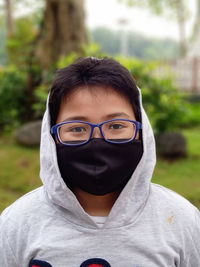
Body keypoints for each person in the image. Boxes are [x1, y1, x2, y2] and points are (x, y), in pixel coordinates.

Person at [0, 57, 199, 267]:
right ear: (52, 136)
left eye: (116, 126)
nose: (98, 140)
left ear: (141, 130)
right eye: (77, 128)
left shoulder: (182, 220)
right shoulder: (16, 224)